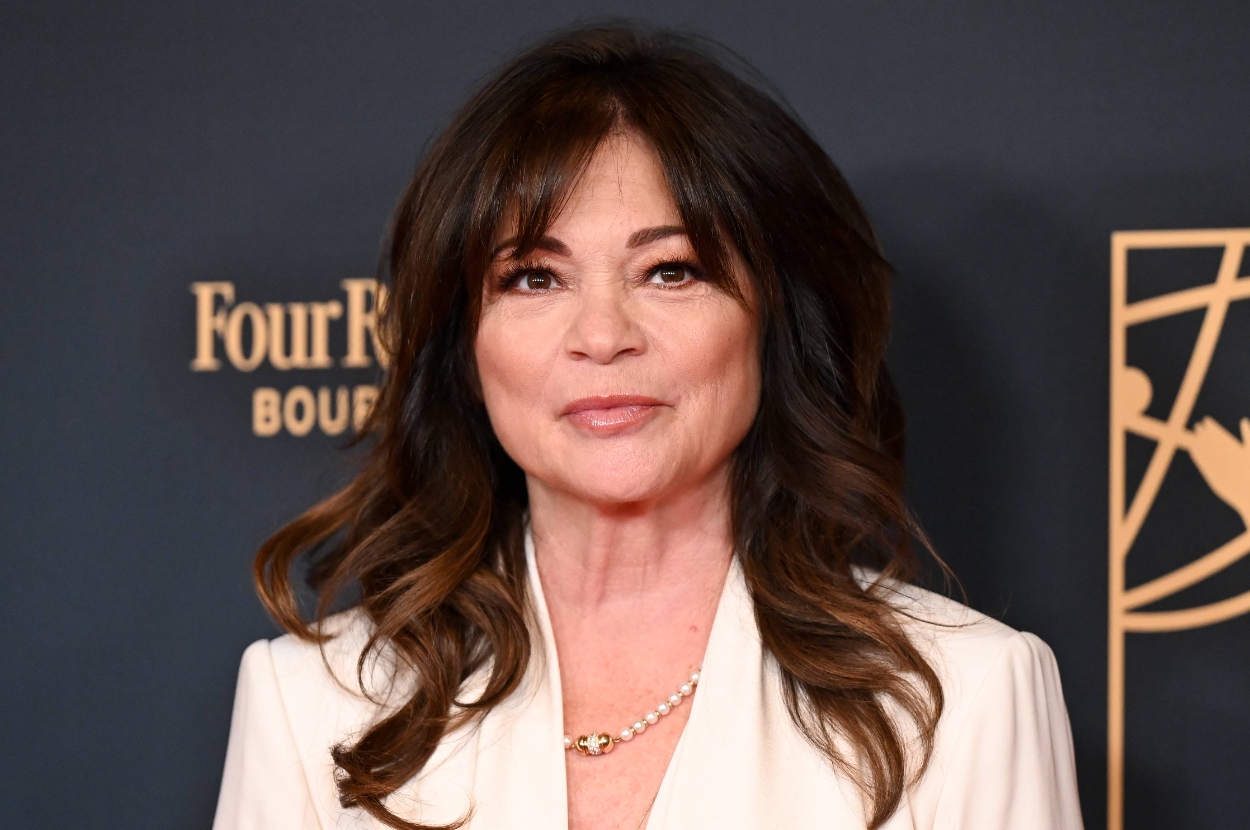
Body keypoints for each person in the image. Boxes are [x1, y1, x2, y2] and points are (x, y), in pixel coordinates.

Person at [213, 23, 1083, 830]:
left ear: (773, 321)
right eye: (533, 278)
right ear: (463, 345)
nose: (602, 337)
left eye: (670, 271)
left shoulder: (959, 699)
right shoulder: (312, 705)